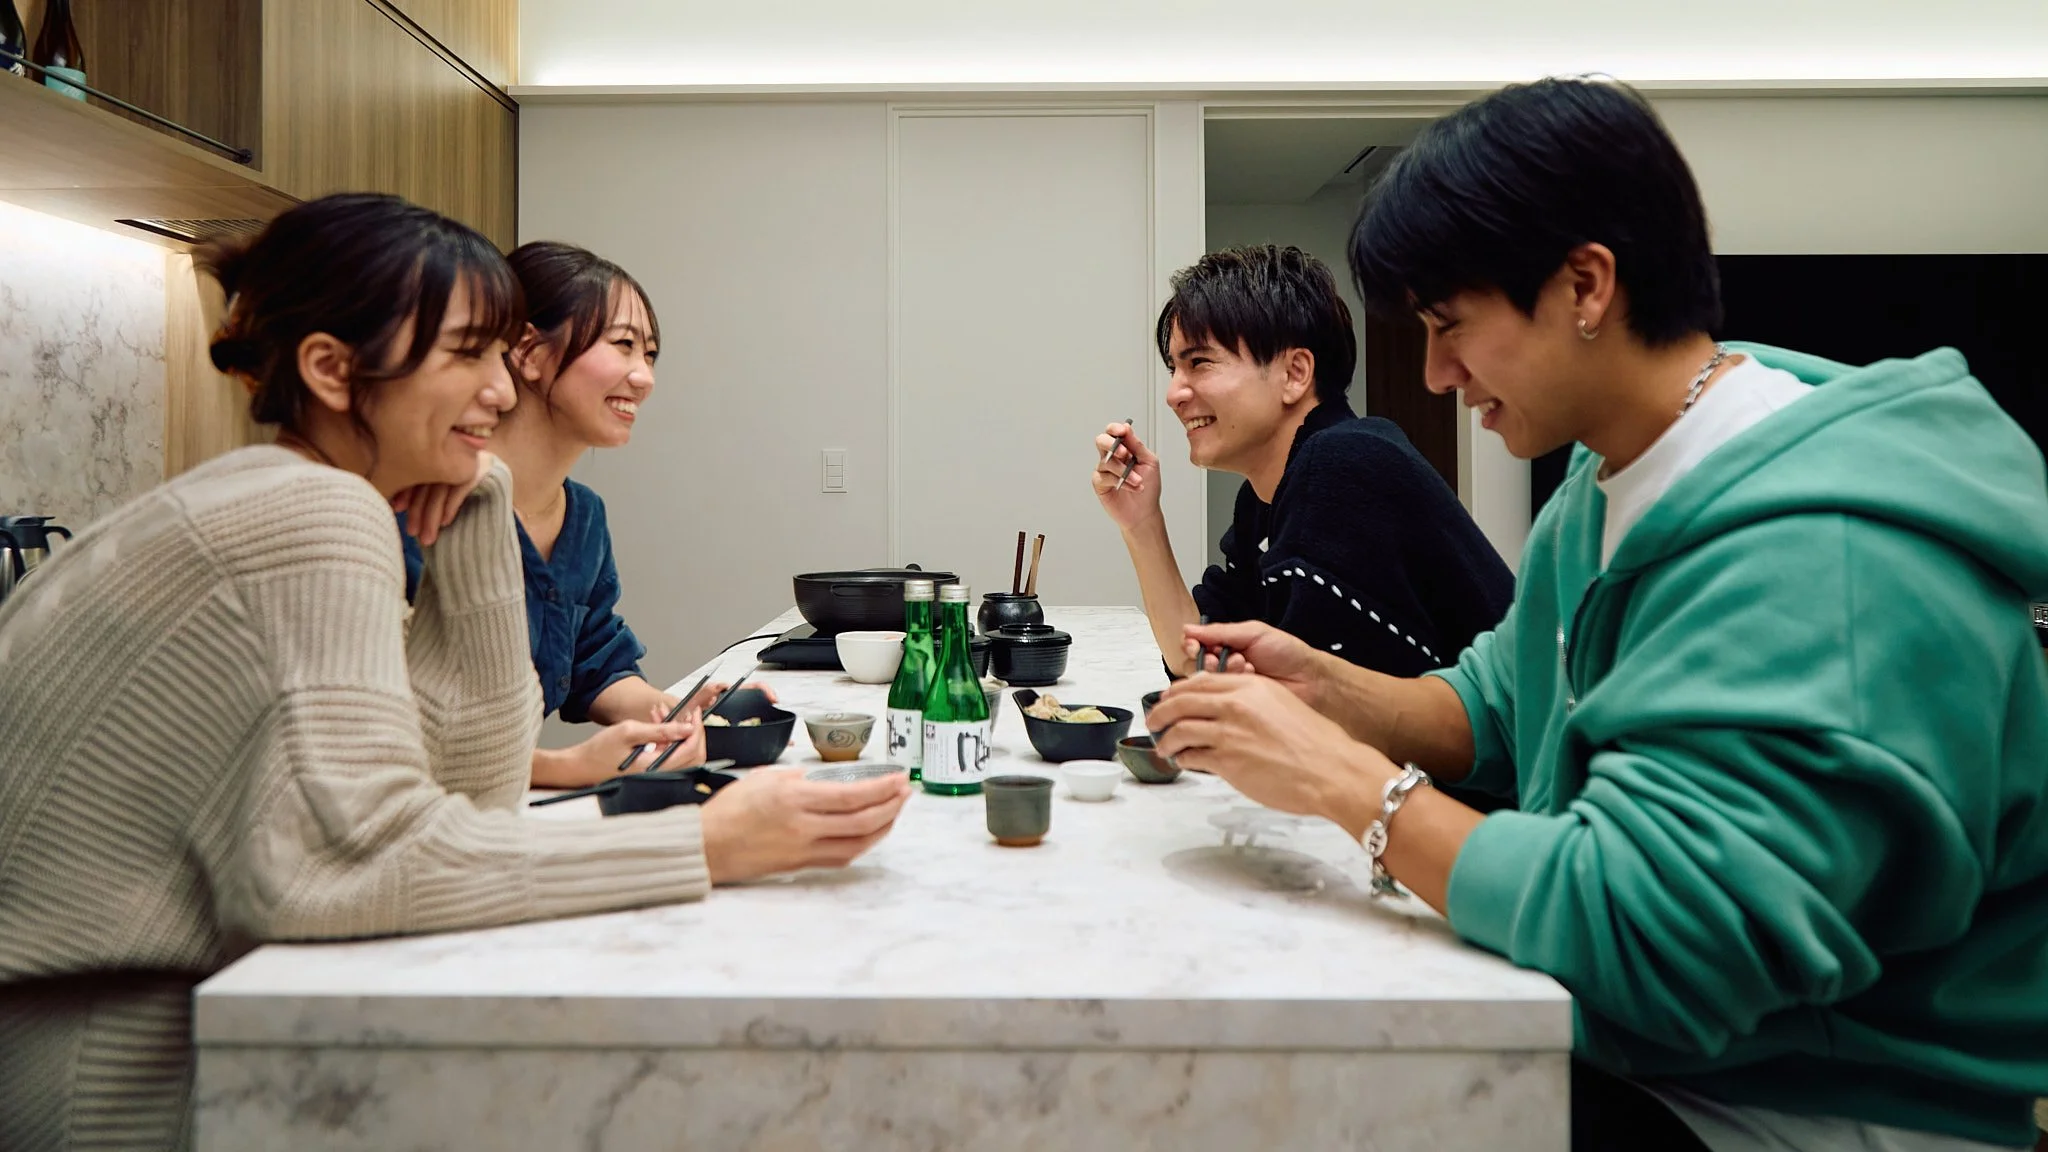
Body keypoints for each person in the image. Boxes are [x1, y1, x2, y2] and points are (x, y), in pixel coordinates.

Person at [1150, 79, 2048, 1152]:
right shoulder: (1602, 481)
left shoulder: (1825, 552)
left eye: (1450, 326)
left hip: (1803, 1105)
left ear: (1585, 284)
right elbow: (1498, 704)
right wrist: (1327, 689)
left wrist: (1342, 781)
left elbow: (1653, 943)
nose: (1434, 374)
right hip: (1645, 1050)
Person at [0, 193, 911, 1152]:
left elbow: (470, 789)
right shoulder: (315, 515)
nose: (502, 391)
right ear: (332, 369)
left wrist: (480, 498)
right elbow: (349, 869)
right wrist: (707, 843)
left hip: (157, 1027)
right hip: (109, 1074)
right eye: (469, 354)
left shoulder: (301, 493)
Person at [1092, 244, 1512, 682]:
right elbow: (1198, 659)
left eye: (1199, 362)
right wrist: (1141, 523)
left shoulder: (1343, 466)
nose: (1173, 394)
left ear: (1295, 373)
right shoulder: (1266, 497)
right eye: (1174, 370)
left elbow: (1312, 699)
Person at [401, 241, 731, 788]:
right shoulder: (422, 507)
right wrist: (567, 768)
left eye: (649, 354)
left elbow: (594, 661)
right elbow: (392, 732)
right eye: (623, 345)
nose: (644, 377)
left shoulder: (583, 517)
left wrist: (675, 711)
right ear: (528, 353)